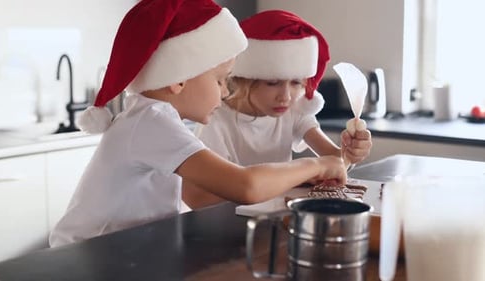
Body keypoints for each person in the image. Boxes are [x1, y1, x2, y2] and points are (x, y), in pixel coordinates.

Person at [49, 0, 347, 247]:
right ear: (179, 78)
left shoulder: (156, 117)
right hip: (86, 256)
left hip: (122, 249)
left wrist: (296, 179)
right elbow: (244, 185)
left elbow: (216, 190)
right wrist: (317, 166)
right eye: (220, 79)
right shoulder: (152, 121)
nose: (226, 91)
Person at [183, 10, 372, 209]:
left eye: (296, 83)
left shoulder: (293, 111)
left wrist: (350, 153)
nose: (286, 96)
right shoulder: (217, 121)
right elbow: (197, 197)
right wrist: (292, 177)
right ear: (244, 79)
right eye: (273, 83)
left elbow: (335, 161)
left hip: (276, 216)